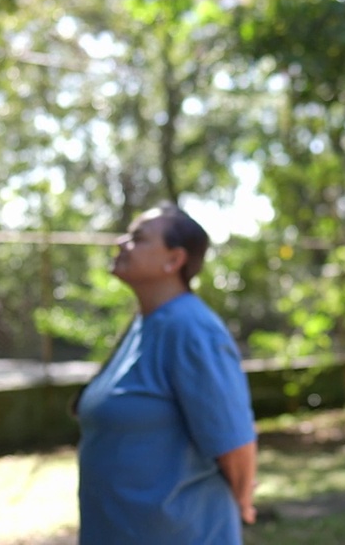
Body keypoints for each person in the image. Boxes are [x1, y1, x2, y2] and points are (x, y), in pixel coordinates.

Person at [73, 203, 257, 544]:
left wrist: (243, 502)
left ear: (174, 260)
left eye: (137, 238)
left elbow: (236, 446)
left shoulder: (191, 329)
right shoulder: (145, 324)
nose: (121, 242)